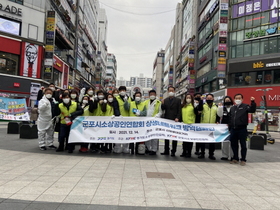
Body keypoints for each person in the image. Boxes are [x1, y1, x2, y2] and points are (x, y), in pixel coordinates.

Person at [228, 94, 256, 166]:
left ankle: (243, 159)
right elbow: (230, 118)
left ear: (242, 99)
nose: (238, 99)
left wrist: (252, 102)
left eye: (239, 98)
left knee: (243, 144)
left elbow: (252, 110)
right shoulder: (232, 108)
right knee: (234, 144)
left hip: (242, 129)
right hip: (233, 129)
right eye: (236, 98)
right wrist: (230, 127)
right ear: (234, 99)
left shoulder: (245, 106)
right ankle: (235, 158)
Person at [161, 86, 182, 157]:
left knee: (174, 137)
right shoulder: (165, 100)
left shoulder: (178, 100)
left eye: (172, 90)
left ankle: (173, 151)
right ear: (167, 91)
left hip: (174, 120)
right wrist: (162, 104)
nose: (171, 92)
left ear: (174, 91)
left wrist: (178, 118)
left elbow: (179, 110)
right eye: (170, 90)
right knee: (166, 136)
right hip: (167, 120)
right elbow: (163, 109)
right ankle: (166, 150)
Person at [199, 93, 220, 160]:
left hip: (212, 126)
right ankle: (202, 153)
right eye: (207, 98)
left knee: (212, 142)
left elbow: (218, 115)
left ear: (213, 99)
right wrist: (201, 101)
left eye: (210, 98)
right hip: (204, 126)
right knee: (202, 141)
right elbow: (199, 110)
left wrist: (217, 121)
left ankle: (211, 154)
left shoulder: (216, 106)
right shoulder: (203, 105)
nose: (209, 99)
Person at [114, 86, 132, 154]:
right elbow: (115, 108)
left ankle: (125, 148)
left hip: (127, 120)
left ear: (125, 91)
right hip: (119, 120)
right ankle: (117, 147)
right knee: (118, 134)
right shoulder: (116, 98)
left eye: (123, 90)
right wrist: (118, 115)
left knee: (126, 134)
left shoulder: (130, 98)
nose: (122, 91)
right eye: (121, 90)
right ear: (119, 91)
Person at [145, 90, 162, 155]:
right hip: (147, 121)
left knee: (154, 136)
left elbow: (160, 112)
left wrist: (156, 116)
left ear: (155, 95)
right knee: (147, 135)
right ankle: (148, 148)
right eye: (151, 94)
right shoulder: (146, 102)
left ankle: (154, 149)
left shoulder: (158, 102)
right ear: (149, 95)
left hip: (155, 121)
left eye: (153, 94)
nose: (152, 95)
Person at [180, 94, 197, 158]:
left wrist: (196, 107)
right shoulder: (183, 106)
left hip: (191, 124)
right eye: (187, 97)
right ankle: (184, 151)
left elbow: (196, 113)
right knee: (184, 139)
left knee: (190, 140)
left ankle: (189, 152)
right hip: (184, 124)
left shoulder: (193, 106)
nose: (188, 98)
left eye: (189, 97)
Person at [217, 96, 234, 161]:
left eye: (228, 100)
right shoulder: (223, 108)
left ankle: (233, 156)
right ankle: (225, 155)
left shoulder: (234, 108)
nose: (227, 102)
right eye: (226, 101)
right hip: (224, 128)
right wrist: (220, 107)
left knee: (233, 142)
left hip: (233, 127)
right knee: (225, 142)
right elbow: (219, 115)